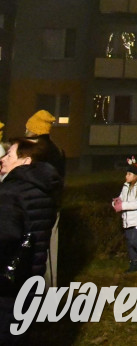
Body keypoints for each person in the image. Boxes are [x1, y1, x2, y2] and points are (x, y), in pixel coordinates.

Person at [0, 138, 61, 343]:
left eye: (9, 155)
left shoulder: (10, 192)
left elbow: (5, 238)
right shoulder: (42, 190)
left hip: (6, 286)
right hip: (30, 279)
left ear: (26, 161)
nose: (3, 158)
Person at [24, 110, 65, 288]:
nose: (25, 131)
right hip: (54, 205)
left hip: (36, 207)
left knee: (37, 252)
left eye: (27, 128)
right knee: (51, 249)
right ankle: (51, 289)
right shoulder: (57, 150)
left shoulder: (35, 152)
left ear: (34, 130)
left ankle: (40, 291)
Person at [112, 155, 137, 273]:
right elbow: (121, 198)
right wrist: (116, 202)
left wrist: (123, 206)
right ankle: (134, 263)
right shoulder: (126, 186)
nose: (126, 176)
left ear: (136, 176)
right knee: (130, 243)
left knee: (136, 242)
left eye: (129, 174)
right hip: (127, 220)